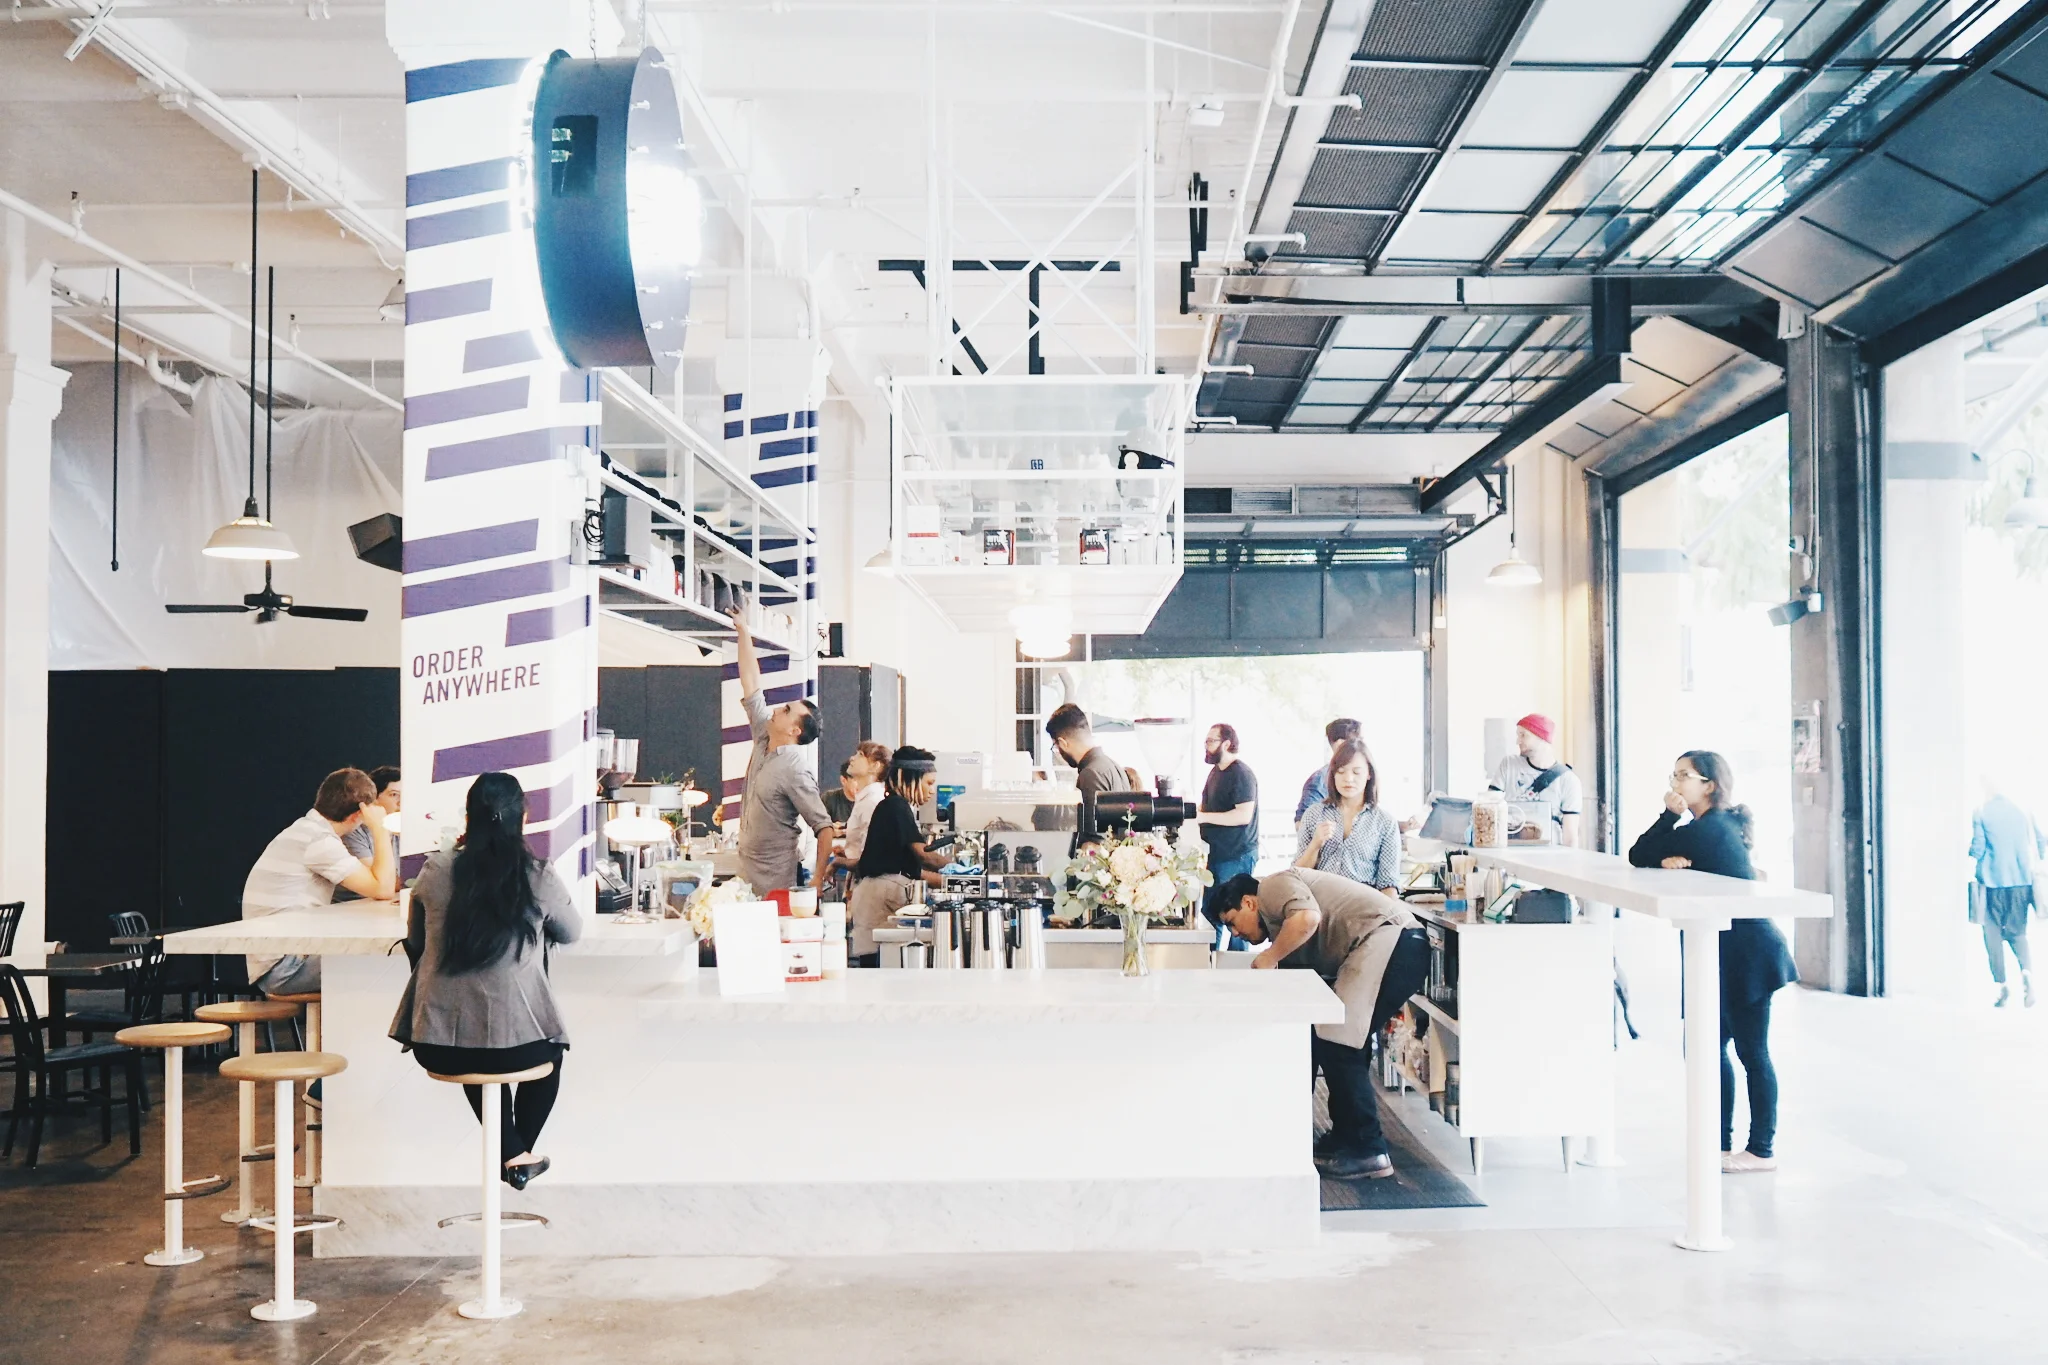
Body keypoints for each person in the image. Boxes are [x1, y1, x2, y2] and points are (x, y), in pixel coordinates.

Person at [390, 772, 582, 1190]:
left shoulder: (435, 870)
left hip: (437, 1045)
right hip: (519, 1049)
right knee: (550, 1058)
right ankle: (515, 1155)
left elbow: (416, 941)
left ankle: (513, 1155)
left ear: (468, 817)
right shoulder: (537, 874)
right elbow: (571, 932)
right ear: (522, 818)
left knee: (475, 1050)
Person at [1628, 750, 1796, 1174]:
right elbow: (1647, 855)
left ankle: (1760, 1150)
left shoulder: (1709, 830)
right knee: (1711, 1046)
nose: (1676, 782)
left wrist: (1668, 822)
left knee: (1750, 1051)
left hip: (1748, 952)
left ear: (1710, 785)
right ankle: (1719, 1141)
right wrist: (1666, 852)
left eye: (1685, 776)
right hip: (1724, 950)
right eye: (1675, 774)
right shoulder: (1706, 826)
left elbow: (1638, 852)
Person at [1208, 868, 1428, 1179]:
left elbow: (1307, 919)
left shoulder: (1272, 886)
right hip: (1397, 945)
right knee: (1335, 1040)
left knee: (1340, 1042)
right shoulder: (1282, 930)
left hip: (1393, 941)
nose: (1235, 934)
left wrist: (1270, 957)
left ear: (1249, 902)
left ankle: (1368, 1150)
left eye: (1232, 922)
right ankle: (1346, 1136)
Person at [241, 767, 396, 995]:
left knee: (389, 959)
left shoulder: (309, 831)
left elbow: (377, 879)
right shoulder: (319, 841)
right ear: (357, 815)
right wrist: (380, 830)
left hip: (283, 959)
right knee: (393, 959)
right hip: (285, 967)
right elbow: (383, 889)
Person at [730, 605, 835, 893]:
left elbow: (824, 828)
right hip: (745, 875)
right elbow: (751, 684)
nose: (778, 709)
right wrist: (743, 630)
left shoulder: (795, 768)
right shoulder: (764, 737)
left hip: (777, 884)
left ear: (795, 730)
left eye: (787, 710)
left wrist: (817, 878)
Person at [849, 747, 947, 965]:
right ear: (908, 779)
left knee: (880, 960)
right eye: (929, 783)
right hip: (878, 897)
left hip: (874, 893)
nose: (932, 791)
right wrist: (958, 869)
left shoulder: (895, 807)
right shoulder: (896, 806)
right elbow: (925, 856)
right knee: (876, 963)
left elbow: (911, 866)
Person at [1970, 777, 2043, 1008]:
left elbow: (1979, 847)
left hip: (1993, 883)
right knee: (2018, 933)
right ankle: (2027, 976)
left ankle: (2001, 987)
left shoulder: (1981, 812)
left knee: (1992, 934)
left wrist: (1969, 856)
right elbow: (2041, 841)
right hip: (2022, 882)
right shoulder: (2023, 811)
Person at [1294, 739, 1401, 889]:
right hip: (1318, 899)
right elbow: (1296, 874)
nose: (1348, 779)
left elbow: (1389, 884)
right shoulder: (1314, 814)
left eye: (1356, 772)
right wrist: (1315, 844)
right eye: (1341, 771)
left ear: (1369, 774)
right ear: (1333, 774)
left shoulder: (1385, 822)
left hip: (1363, 902)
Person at [1489, 713, 1582, 846]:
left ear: (1541, 737)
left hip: (1548, 854)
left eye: (1523, 735)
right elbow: (1490, 806)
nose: (1518, 741)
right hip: (1509, 849)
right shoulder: (1509, 764)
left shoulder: (1568, 781)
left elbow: (1570, 836)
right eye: (1518, 735)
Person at [1198, 724, 1259, 924]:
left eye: (1211, 741)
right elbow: (1208, 805)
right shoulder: (1215, 772)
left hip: (1236, 855)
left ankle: (1237, 956)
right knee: (1211, 912)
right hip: (1216, 854)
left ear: (1226, 743)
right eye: (1206, 741)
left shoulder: (1241, 774)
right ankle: (1210, 955)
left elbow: (1243, 815)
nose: (1206, 746)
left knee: (1238, 916)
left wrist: (1204, 818)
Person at [1046, 702, 1132, 843]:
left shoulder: (1090, 774)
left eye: (1055, 746)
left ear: (1063, 743)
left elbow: (1094, 840)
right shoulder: (1113, 766)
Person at [335, 765, 401, 903]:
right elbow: (381, 883)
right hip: (350, 910)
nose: (401, 802)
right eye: (394, 794)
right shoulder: (353, 833)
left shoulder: (399, 830)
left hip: (381, 906)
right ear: (373, 799)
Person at [1294, 718, 1361, 823]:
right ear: (1339, 744)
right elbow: (1301, 824)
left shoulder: (1366, 776)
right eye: (1358, 741)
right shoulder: (1320, 780)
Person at [823, 759, 861, 825]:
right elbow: (821, 826)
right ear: (843, 780)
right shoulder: (829, 798)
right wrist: (831, 830)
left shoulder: (869, 800)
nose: (860, 784)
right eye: (856, 780)